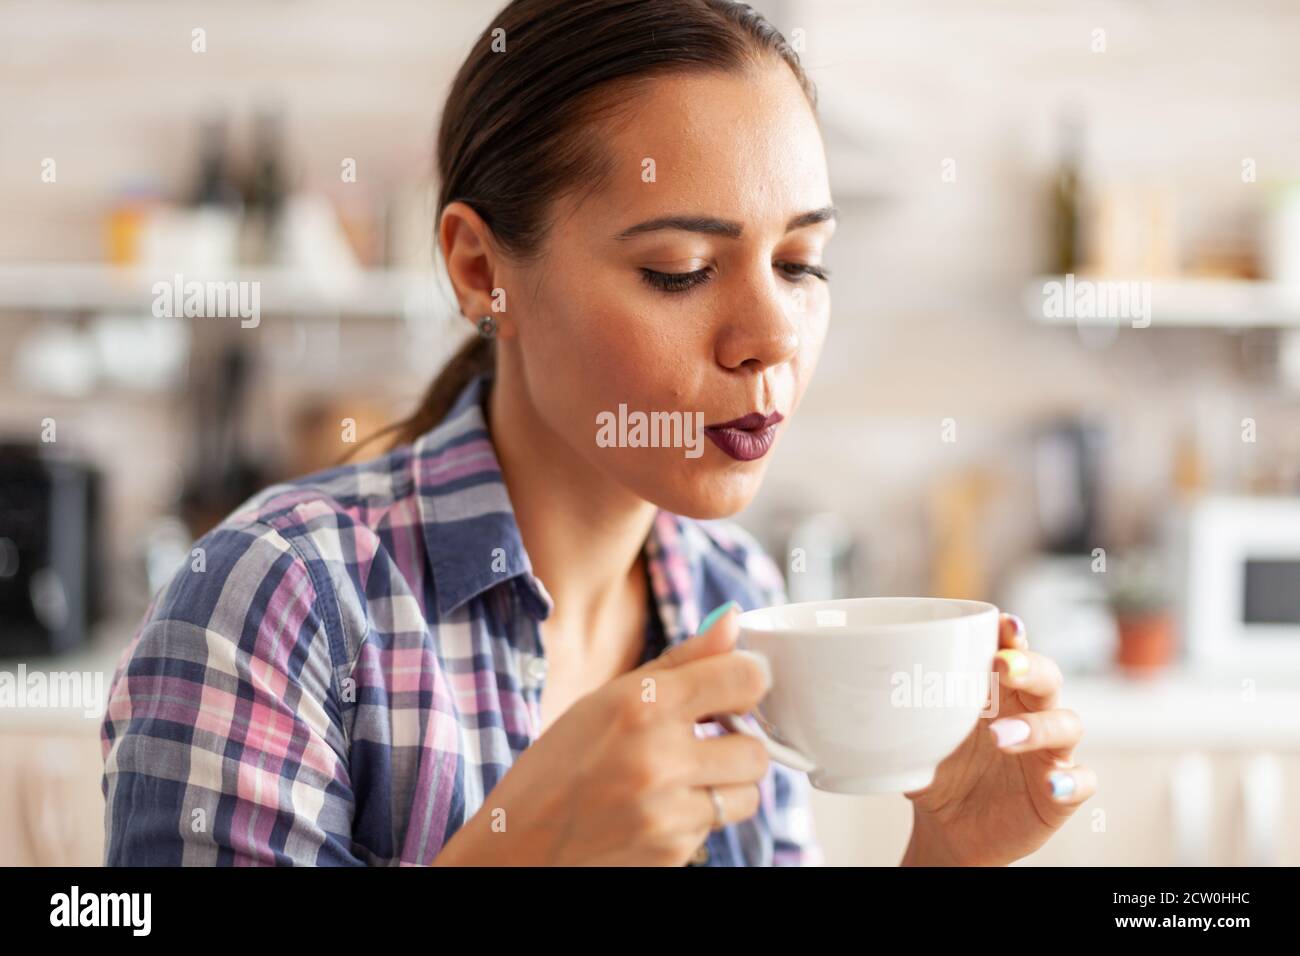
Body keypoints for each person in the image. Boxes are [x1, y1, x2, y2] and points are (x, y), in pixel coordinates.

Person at [101, 0, 1093, 866]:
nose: (772, 337)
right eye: (679, 269)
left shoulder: (736, 597)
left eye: (799, 263)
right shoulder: (278, 600)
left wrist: (947, 855)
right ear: (481, 269)